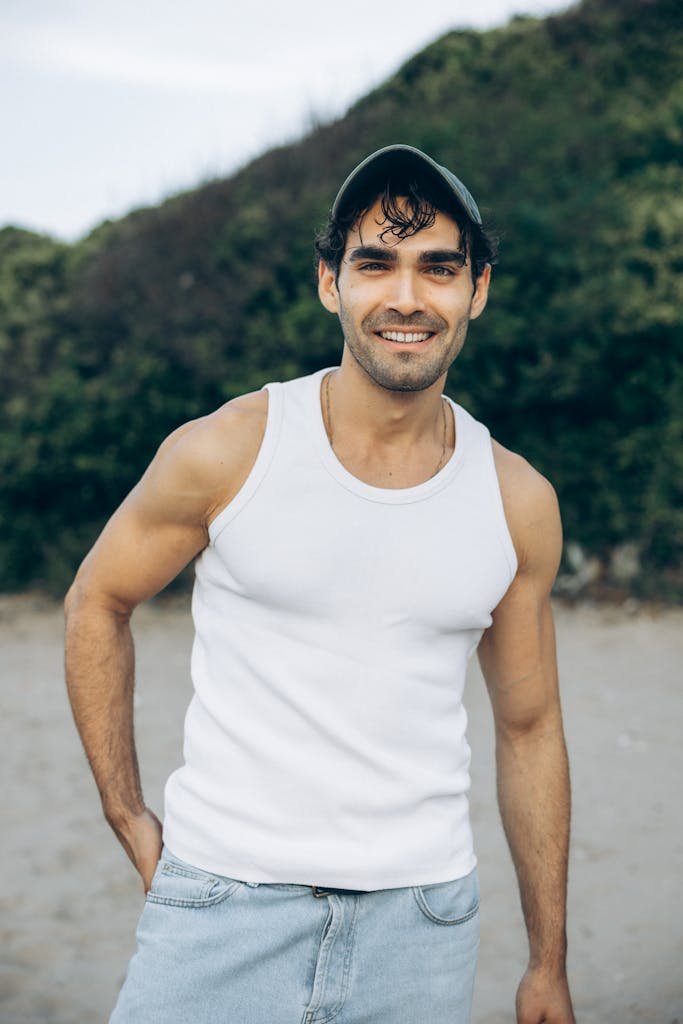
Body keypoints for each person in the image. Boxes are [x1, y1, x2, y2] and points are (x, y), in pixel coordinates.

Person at [64, 144, 575, 1024]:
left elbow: (528, 730)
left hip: (422, 925)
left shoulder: (516, 500)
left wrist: (545, 963)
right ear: (329, 283)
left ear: (477, 290)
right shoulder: (227, 450)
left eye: (438, 269)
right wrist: (127, 812)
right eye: (374, 263)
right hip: (221, 904)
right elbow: (97, 601)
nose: (406, 298)